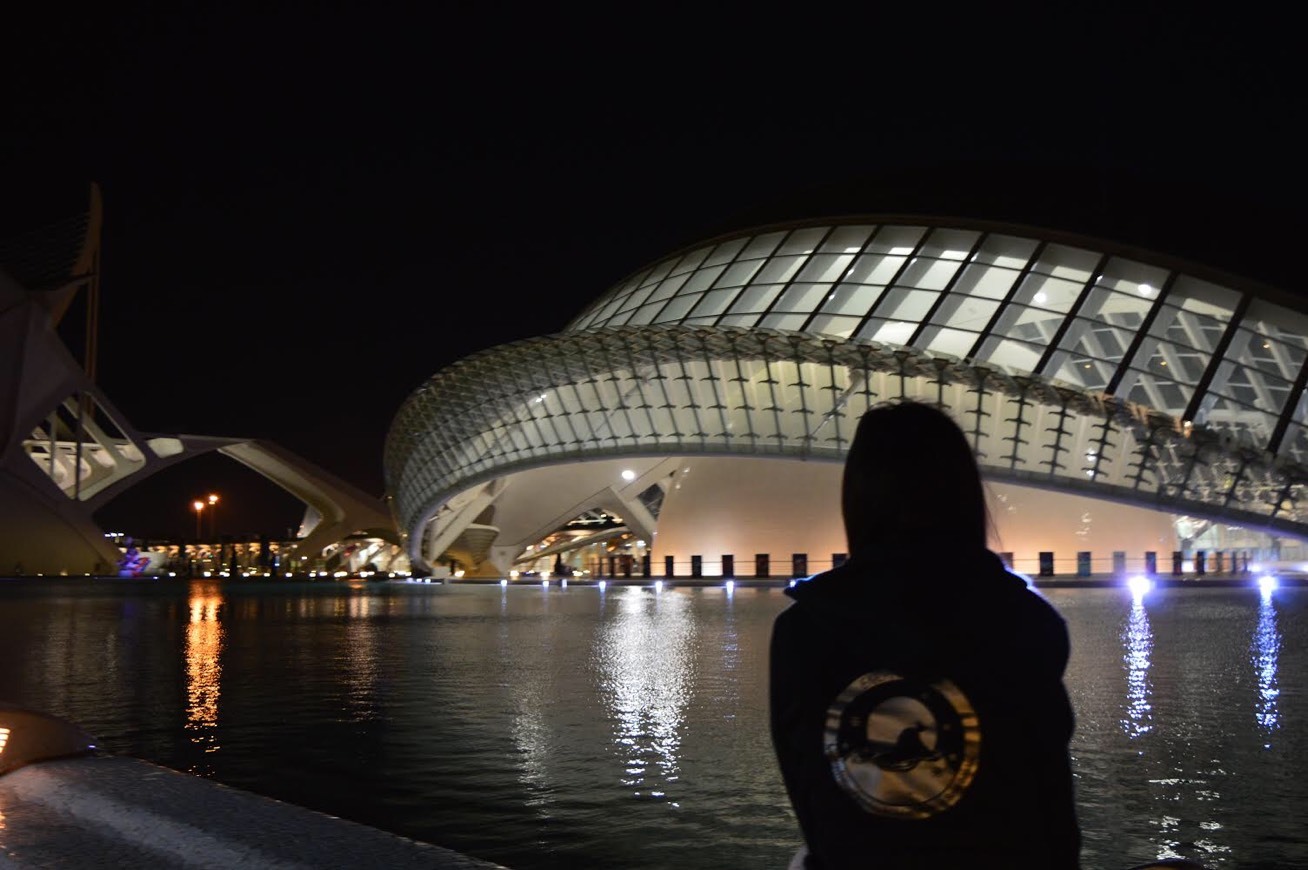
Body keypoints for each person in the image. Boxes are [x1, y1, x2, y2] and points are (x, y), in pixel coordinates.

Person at [769, 400, 1082, 868]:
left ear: (857, 500)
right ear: (965, 496)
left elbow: (810, 798)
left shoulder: (803, 631)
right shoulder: (1026, 622)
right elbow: (1050, 803)